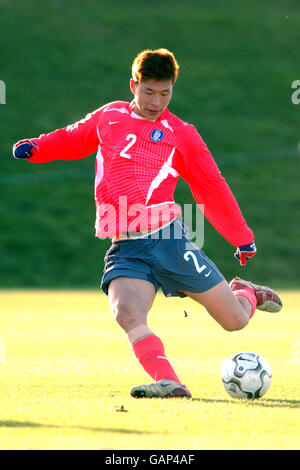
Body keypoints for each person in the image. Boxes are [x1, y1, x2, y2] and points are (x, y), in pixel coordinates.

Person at [13, 48, 282, 399]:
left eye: (165, 92)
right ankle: (171, 383)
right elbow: (72, 137)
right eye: (149, 92)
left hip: (167, 239)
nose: (157, 101)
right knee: (127, 313)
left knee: (235, 321)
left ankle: (247, 292)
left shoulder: (180, 133)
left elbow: (210, 185)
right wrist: (37, 146)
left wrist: (241, 237)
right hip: (125, 245)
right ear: (133, 85)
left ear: (172, 88)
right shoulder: (109, 116)